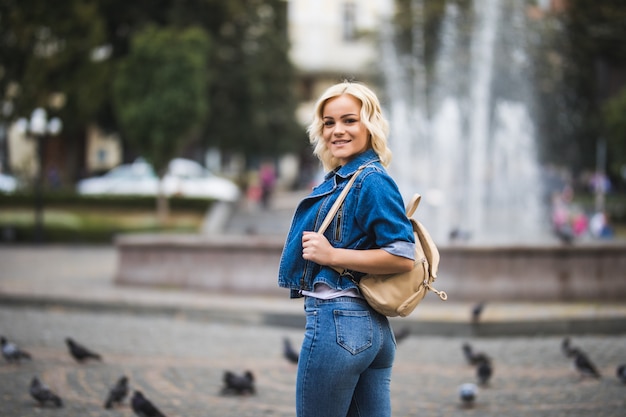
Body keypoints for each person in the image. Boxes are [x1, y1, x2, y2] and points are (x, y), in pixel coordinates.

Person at [278, 81, 416, 417]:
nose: (337, 130)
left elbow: (402, 255)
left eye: (349, 120)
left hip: (339, 322)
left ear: (369, 124)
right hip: (368, 328)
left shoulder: (370, 178)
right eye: (329, 122)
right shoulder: (344, 177)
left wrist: (332, 256)